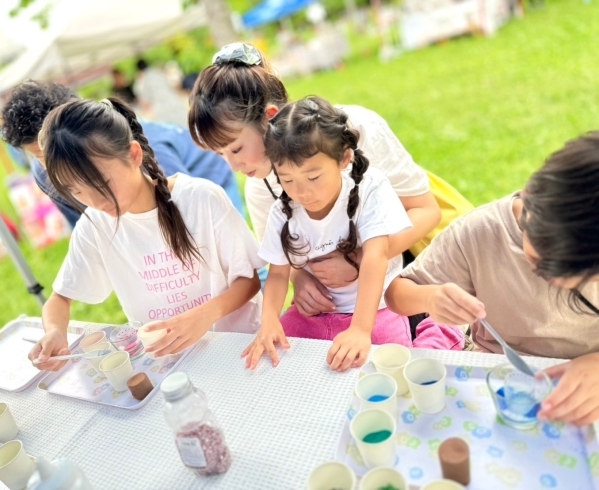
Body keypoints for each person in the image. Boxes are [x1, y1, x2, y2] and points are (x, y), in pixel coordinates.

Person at [188, 42, 473, 326]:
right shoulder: (261, 187)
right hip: (347, 301)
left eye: (236, 149)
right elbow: (285, 260)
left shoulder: (352, 129)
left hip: (413, 264)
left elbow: (426, 211)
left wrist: (359, 260)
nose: (234, 167)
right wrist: (301, 280)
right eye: (220, 155)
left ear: (270, 117)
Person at [27, 97, 264, 371]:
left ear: (134, 155)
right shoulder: (95, 225)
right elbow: (59, 299)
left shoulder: (200, 198)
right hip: (172, 364)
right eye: (77, 191)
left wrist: (203, 317)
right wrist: (55, 331)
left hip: (239, 350)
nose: (96, 201)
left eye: (102, 183)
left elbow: (249, 281)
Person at [384, 132, 599, 426]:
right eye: (544, 261)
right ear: (532, 195)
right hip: (496, 372)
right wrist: (430, 298)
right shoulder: (480, 232)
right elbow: (396, 294)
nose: (554, 279)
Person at [243, 97, 464, 371]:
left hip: (377, 308)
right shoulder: (283, 210)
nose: (302, 192)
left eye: (313, 177)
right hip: (316, 312)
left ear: (344, 159)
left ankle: (441, 330)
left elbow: (375, 256)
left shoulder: (370, 188)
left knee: (391, 368)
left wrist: (360, 329)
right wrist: (269, 321)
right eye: (287, 180)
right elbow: (278, 273)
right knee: (275, 362)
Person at [0, 81, 245, 229]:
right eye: (39, 156)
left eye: (52, 150)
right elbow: (86, 227)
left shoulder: (139, 145)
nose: (52, 164)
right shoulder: (44, 173)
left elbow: (187, 208)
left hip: (208, 176)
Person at [134, 58, 188, 128]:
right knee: (186, 125)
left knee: (173, 130)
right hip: (173, 101)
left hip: (161, 109)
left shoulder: (144, 80)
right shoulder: (158, 72)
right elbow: (174, 85)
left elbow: (145, 100)